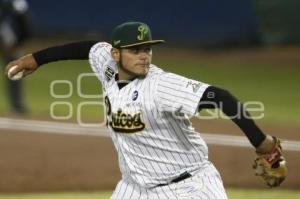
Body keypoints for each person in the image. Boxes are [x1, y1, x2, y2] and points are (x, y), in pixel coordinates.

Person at [5, 21, 287, 198]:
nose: (143, 56)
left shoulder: (161, 85)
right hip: (135, 188)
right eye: (135, 50)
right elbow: (89, 47)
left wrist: (262, 145)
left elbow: (222, 97)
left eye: (147, 49)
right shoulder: (107, 64)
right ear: (116, 55)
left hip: (189, 188)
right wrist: (37, 58)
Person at [0, 0, 31, 113]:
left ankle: (17, 106)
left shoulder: (15, 2)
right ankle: (17, 106)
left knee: (14, 68)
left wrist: (16, 43)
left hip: (8, 40)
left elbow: (25, 24)